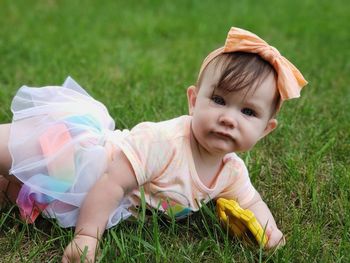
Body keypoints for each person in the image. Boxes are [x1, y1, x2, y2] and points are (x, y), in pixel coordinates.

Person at [0, 27, 307, 262]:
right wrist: (87, 235)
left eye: (248, 112)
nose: (228, 118)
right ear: (193, 101)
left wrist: (271, 236)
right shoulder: (165, 143)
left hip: (98, 196)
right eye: (218, 100)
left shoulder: (231, 172)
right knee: (15, 150)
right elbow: (111, 184)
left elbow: (251, 203)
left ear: (266, 129)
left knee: (15, 189)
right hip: (84, 161)